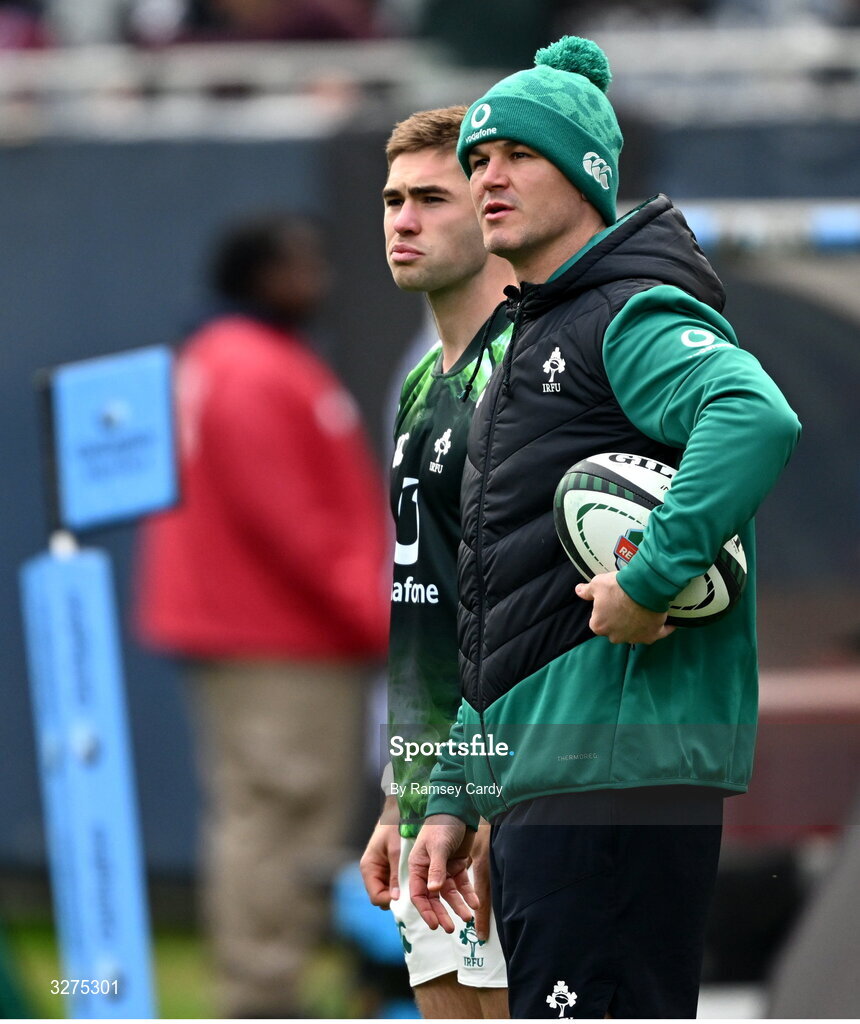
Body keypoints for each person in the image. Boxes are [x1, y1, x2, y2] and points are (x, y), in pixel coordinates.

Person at [407, 36, 802, 1018]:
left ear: (584, 172)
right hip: (549, 775)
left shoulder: (624, 309)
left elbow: (751, 414)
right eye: (476, 162)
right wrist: (459, 790)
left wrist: (650, 577)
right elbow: (509, 594)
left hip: (616, 770)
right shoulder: (527, 336)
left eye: (516, 156)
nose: (485, 177)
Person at [134, 212, 389, 1018]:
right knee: (278, 809)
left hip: (259, 629)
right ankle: (261, 992)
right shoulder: (251, 368)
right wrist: (383, 618)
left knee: (266, 810)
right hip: (276, 637)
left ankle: (264, 982)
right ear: (255, 275)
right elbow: (295, 528)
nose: (317, 281)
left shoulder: (230, 357)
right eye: (298, 266)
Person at [358, 106, 514, 1018]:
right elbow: (423, 609)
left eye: (429, 199)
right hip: (423, 796)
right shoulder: (419, 383)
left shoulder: (527, 376)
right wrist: (397, 798)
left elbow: (528, 617)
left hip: (493, 791)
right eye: (390, 200)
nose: (402, 221)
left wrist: (486, 797)